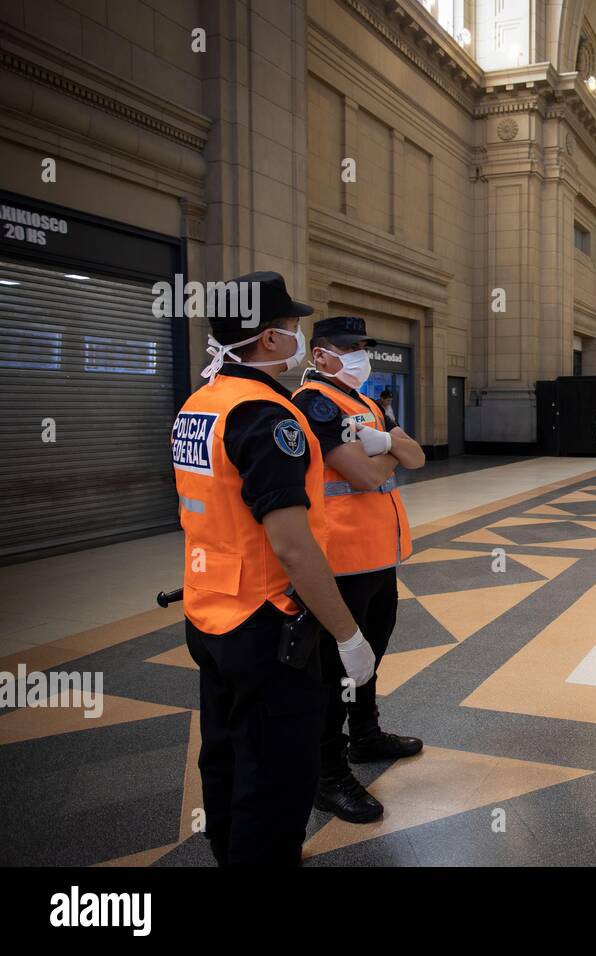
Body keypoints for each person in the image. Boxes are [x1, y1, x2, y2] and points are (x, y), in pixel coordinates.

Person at [171, 271, 375, 866]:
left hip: (207, 611)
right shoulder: (267, 417)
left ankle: (233, 851)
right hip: (266, 622)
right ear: (266, 339)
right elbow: (291, 545)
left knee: (226, 750)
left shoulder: (199, 404)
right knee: (278, 766)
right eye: (290, 327)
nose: (297, 337)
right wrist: (348, 634)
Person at [294, 316, 426, 823]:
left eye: (363, 347)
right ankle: (328, 775)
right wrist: (387, 448)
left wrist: (386, 444)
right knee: (333, 670)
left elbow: (414, 457)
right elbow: (367, 475)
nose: (358, 355)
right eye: (348, 347)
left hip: (377, 559)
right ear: (321, 354)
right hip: (340, 562)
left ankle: (365, 737)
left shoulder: (368, 403)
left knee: (369, 656)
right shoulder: (315, 403)